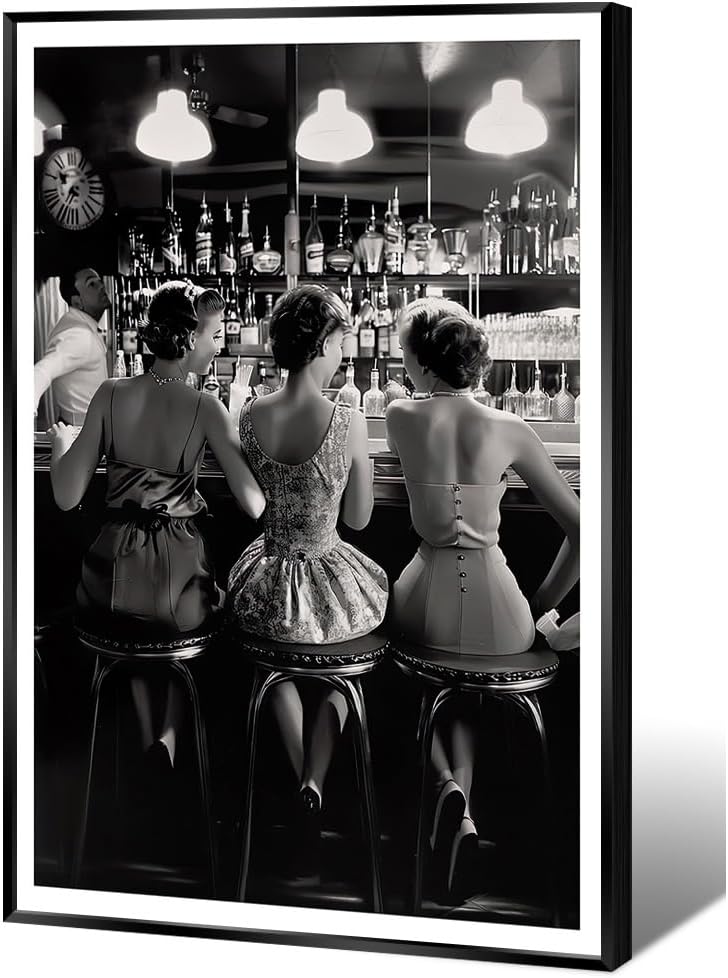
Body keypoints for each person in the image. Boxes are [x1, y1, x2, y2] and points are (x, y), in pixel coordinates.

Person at [385, 297, 580, 896]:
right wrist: (541, 600)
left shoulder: (399, 415)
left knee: (423, 682)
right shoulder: (511, 429)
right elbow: (584, 528)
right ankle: (464, 812)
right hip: (500, 610)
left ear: (423, 363)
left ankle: (449, 789)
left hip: (422, 599)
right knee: (465, 690)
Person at [47, 282, 265, 770]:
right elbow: (253, 505)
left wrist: (61, 445)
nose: (217, 346)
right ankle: (168, 733)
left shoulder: (110, 392)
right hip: (177, 577)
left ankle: (151, 735)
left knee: (133, 623)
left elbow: (65, 495)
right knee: (182, 618)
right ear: (188, 338)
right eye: (212, 336)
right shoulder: (205, 406)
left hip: (113, 576)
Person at [227, 284, 388, 842]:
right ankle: (315, 777)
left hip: (266, 579)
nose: (343, 353)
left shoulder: (249, 415)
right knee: (344, 670)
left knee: (273, 666)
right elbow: (360, 519)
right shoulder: (347, 419)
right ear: (321, 344)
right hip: (329, 580)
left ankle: (302, 780)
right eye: (340, 342)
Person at [34, 267, 112, 424]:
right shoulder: (78, 335)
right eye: (92, 284)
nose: (101, 286)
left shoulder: (81, 325)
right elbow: (42, 371)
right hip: (81, 430)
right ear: (77, 301)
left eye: (99, 281)